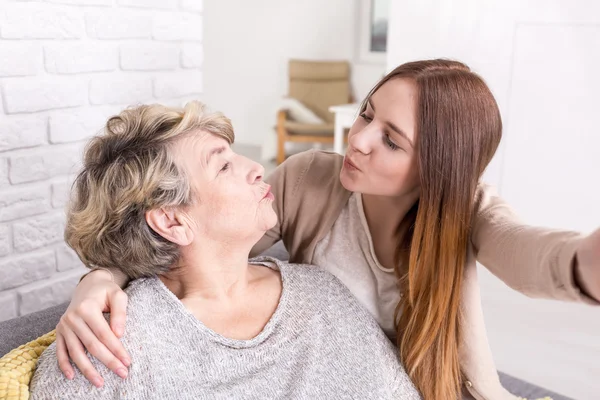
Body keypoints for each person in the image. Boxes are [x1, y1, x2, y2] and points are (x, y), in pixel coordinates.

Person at [53, 60, 600, 400]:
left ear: (436, 168)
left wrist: (585, 261)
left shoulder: (465, 212)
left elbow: (529, 253)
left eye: (391, 140)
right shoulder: (312, 179)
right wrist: (99, 280)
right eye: (366, 114)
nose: (358, 140)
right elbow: (183, 234)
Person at [28, 102, 420, 400]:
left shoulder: (322, 293)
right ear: (172, 221)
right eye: (223, 167)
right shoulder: (113, 345)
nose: (255, 167)